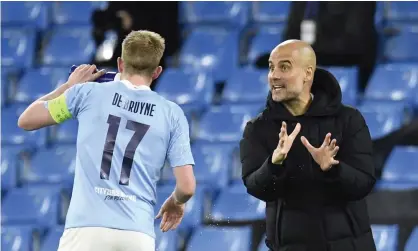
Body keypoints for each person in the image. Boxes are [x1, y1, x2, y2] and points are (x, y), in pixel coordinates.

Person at [18, 30, 196, 251]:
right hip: (137, 234)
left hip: (85, 230)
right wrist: (176, 202)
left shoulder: (86, 94)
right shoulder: (172, 114)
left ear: (120, 64)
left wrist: (68, 86)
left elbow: (26, 120)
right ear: (158, 71)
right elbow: (187, 187)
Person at [240, 40, 376, 251]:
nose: (274, 75)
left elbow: (364, 183)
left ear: (307, 73)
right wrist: (274, 164)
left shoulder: (349, 120)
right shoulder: (258, 128)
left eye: (284, 67)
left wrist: (332, 168)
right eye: (271, 67)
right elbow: (257, 188)